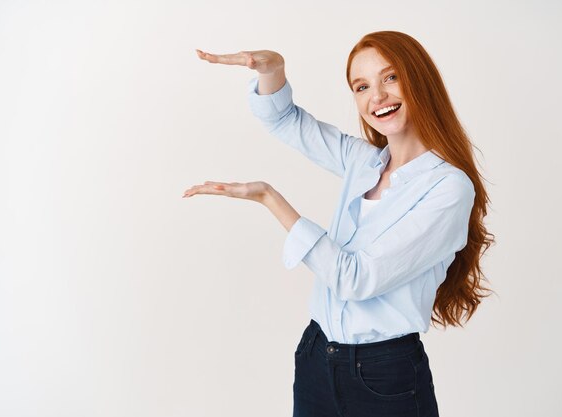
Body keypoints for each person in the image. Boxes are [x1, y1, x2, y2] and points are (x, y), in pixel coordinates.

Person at [183, 31, 494, 417]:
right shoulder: (363, 161)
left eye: (390, 77)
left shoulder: (448, 188)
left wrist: (270, 198)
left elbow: (356, 279)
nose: (376, 96)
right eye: (361, 86)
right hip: (316, 354)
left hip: (385, 377)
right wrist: (274, 69)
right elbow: (284, 120)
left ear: (419, 79)